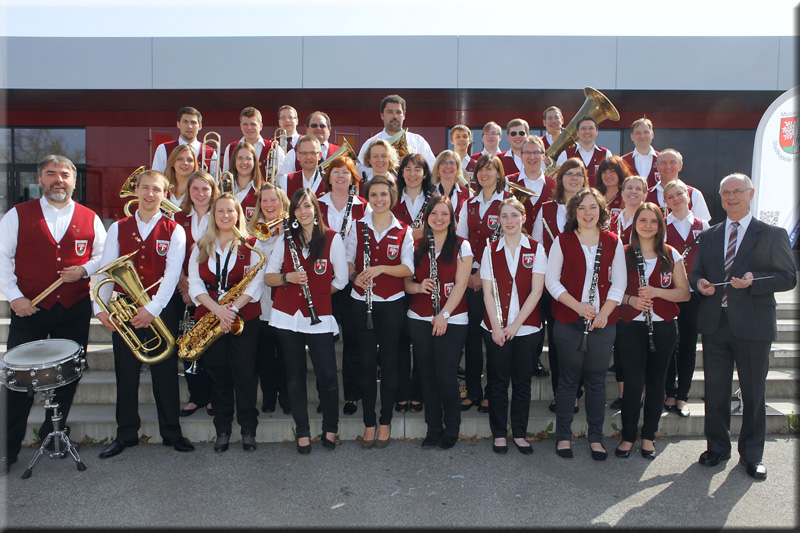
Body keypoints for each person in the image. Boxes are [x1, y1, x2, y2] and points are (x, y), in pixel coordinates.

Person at [0, 155, 106, 472]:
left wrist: (85, 269)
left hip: (73, 308)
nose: (58, 180)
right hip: (29, 309)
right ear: (40, 179)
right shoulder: (17, 215)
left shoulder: (90, 217)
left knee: (69, 375)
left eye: (64, 174)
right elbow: (2, 258)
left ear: (74, 181)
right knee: (18, 382)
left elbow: (103, 255)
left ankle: (53, 432)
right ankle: (7, 448)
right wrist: (15, 298)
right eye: (50, 174)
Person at [690, 173, 796, 480]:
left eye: (737, 191)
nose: (731, 197)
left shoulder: (772, 234)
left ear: (750, 194)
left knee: (753, 394)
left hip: (754, 325)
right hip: (715, 324)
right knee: (715, 392)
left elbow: (788, 277)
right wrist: (701, 285)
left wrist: (754, 281)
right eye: (726, 193)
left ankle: (752, 455)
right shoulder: (709, 235)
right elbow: (697, 273)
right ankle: (717, 447)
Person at [95, 169, 194, 458]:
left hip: (161, 308)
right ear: (136, 191)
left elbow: (172, 274)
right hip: (124, 307)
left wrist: (151, 310)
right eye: (145, 188)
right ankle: (126, 434)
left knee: (165, 373)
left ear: (165, 196)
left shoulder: (174, 230)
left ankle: (171, 433)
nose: (150, 194)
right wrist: (100, 309)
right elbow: (105, 272)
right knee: (125, 374)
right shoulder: (117, 227)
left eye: (157, 190)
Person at [545, 188, 626, 461]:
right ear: (573, 212)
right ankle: (563, 437)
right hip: (569, 320)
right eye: (581, 208)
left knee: (596, 381)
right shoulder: (562, 240)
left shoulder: (613, 241)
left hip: (603, 323)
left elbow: (620, 283)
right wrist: (577, 305)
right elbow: (551, 281)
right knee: (568, 380)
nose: (587, 213)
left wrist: (604, 312)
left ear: (601, 210)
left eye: (593, 207)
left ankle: (596, 438)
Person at [265, 189, 348, 454]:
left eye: (307, 206)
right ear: (293, 212)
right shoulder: (284, 239)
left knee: (327, 374)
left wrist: (320, 294)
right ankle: (302, 431)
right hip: (287, 317)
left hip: (319, 316)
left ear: (316, 209)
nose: (303, 211)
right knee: (295, 375)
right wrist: (288, 277)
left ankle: (330, 428)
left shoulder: (332, 239)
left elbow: (342, 280)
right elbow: (269, 277)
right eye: (298, 207)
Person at [187, 194, 264, 452]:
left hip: (243, 317)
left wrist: (231, 309)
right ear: (213, 215)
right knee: (218, 375)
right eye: (220, 211)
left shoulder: (252, 244)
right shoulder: (201, 246)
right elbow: (195, 283)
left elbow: (256, 283)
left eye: (230, 211)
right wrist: (217, 310)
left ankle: (248, 430)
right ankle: (222, 429)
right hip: (210, 318)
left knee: (245, 375)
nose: (225, 216)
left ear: (238, 214)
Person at [615, 203, 690, 459]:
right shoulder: (622, 253)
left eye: (653, 221)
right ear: (635, 223)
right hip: (630, 326)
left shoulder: (671, 254)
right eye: (643, 220)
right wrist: (630, 300)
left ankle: (648, 437)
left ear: (660, 226)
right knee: (633, 383)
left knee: (657, 383)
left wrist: (657, 292)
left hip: (664, 326)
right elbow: (610, 291)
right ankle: (627, 437)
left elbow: (684, 293)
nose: (648, 225)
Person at [347, 176, 414, 449]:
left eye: (384, 194)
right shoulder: (357, 226)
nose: (379, 199)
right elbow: (349, 262)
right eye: (373, 195)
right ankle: (369, 422)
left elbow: (408, 269)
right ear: (368, 198)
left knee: (388, 363)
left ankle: (385, 420)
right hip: (361, 301)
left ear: (392, 197)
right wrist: (355, 277)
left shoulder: (403, 230)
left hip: (391, 302)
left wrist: (381, 268)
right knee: (365, 363)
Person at [481, 197, 546, 455]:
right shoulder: (489, 249)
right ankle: (499, 433)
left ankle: (519, 433)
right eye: (504, 216)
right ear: (499, 221)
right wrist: (498, 328)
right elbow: (487, 292)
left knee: (522, 383)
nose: (509, 221)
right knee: (497, 382)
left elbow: (537, 291)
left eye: (513, 216)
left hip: (527, 328)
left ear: (523, 218)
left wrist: (514, 326)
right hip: (495, 328)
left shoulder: (536, 248)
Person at [405, 196, 471, 449]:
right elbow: (405, 283)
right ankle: (433, 428)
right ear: (427, 217)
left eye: (445, 214)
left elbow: (462, 284)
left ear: (451, 218)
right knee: (427, 376)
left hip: (452, 318)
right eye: (434, 214)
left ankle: (452, 428)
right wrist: (418, 286)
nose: (439, 218)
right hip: (419, 317)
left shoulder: (462, 246)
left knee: (446, 376)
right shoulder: (416, 245)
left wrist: (443, 314)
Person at [532, 158, 589, 412]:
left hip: (583, 285)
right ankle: (561, 392)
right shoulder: (545, 209)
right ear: (560, 177)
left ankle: (576, 390)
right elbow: (535, 246)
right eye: (569, 174)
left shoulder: (590, 208)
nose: (573, 178)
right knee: (557, 343)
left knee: (580, 342)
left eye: (579, 174)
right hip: (550, 287)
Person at [456, 155, 510, 413]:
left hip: (497, 281)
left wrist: (482, 274)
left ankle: (492, 392)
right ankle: (472, 392)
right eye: (480, 169)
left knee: (493, 339)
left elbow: (507, 244)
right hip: (471, 279)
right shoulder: (468, 204)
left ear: (499, 174)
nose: (484, 173)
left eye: (490, 169)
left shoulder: (508, 203)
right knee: (471, 339)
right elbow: (462, 242)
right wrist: (468, 274)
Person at [317, 156, 368, 416]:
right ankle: (325, 395)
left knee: (353, 341)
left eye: (345, 173)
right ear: (329, 177)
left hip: (351, 281)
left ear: (352, 178)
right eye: (335, 172)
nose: (340, 177)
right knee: (322, 341)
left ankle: (352, 395)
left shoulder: (364, 206)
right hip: (322, 280)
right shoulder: (317, 204)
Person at [663, 179, 710, 417]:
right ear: (665, 201)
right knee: (669, 344)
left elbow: (711, 260)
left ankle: (683, 396)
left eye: (679, 194)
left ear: (688, 196)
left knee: (689, 346)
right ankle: (669, 391)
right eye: (670, 196)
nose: (676, 199)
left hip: (694, 295)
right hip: (668, 294)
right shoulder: (660, 225)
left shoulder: (704, 226)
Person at [174, 170, 218, 418]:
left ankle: (212, 396)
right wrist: (184, 286)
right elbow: (174, 256)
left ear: (212, 192)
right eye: (195, 189)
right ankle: (196, 396)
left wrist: (198, 290)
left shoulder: (220, 215)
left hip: (211, 293)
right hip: (184, 291)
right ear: (188, 192)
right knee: (188, 344)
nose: (200, 194)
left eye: (205, 189)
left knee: (210, 344)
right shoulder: (179, 218)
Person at [250, 184, 291, 414]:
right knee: (265, 355)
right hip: (262, 301)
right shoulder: (254, 231)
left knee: (285, 354)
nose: (268, 205)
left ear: (282, 203)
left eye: (273, 200)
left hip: (285, 299)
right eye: (264, 201)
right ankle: (268, 397)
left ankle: (285, 396)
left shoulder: (291, 230)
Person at [357, 94, 436, 181]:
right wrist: (385, 167)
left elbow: (432, 169)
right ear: (382, 115)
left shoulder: (418, 141)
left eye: (398, 112)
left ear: (404, 115)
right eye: (390, 112)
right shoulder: (370, 143)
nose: (395, 116)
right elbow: (359, 171)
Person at [505, 135, 557, 236]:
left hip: (545, 248)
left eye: (536, 152)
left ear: (543, 156)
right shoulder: (508, 182)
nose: (532, 157)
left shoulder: (555, 186)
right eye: (527, 152)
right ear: (521, 156)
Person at [647, 149, 712, 221]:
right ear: (658, 167)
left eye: (673, 162)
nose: (668, 167)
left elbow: (702, 228)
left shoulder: (694, 194)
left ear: (680, 166)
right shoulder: (646, 195)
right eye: (663, 163)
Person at [222, 107, 282, 179]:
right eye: (245, 124)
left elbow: (281, 179)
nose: (249, 128)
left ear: (261, 126)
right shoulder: (230, 148)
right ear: (240, 126)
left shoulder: (275, 149)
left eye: (253, 124)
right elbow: (226, 177)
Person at [278, 111, 340, 179]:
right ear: (307, 129)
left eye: (322, 126)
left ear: (329, 130)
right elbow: (283, 180)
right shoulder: (293, 153)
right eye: (314, 125)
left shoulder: (339, 152)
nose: (318, 128)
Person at [152, 106, 213, 175]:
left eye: (193, 122)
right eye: (185, 122)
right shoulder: (163, 149)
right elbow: (156, 178)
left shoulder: (210, 152)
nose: (189, 126)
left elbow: (216, 181)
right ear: (178, 124)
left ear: (200, 126)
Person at [555, 116, 612, 187]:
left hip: (598, 197)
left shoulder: (606, 154)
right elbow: (559, 181)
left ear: (597, 131)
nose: (587, 131)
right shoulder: (565, 154)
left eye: (591, 128)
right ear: (577, 132)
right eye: (583, 128)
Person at [392, 153, 435, 239]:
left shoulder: (434, 202)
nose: (412, 174)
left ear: (425, 174)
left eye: (417, 170)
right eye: (408, 169)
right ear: (402, 173)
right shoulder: (392, 200)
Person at [432, 150, 472, 221]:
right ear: (438, 168)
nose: (448, 166)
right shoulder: (428, 193)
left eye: (452, 163)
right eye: (443, 163)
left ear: (457, 168)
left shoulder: (468, 194)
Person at [622, 117, 660, 188]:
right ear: (632, 136)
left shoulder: (662, 159)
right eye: (638, 133)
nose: (642, 136)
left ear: (652, 135)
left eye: (646, 132)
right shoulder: (622, 161)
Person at [610, 175, 648, 246]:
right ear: (622, 193)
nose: (633, 191)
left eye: (638, 189)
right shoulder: (612, 222)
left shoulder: (648, 222)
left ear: (644, 195)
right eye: (629, 188)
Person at [228, 142, 263, 219]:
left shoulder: (263, 189)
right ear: (234, 161)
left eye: (248, 158)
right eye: (240, 158)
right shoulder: (221, 187)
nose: (244, 162)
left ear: (254, 162)